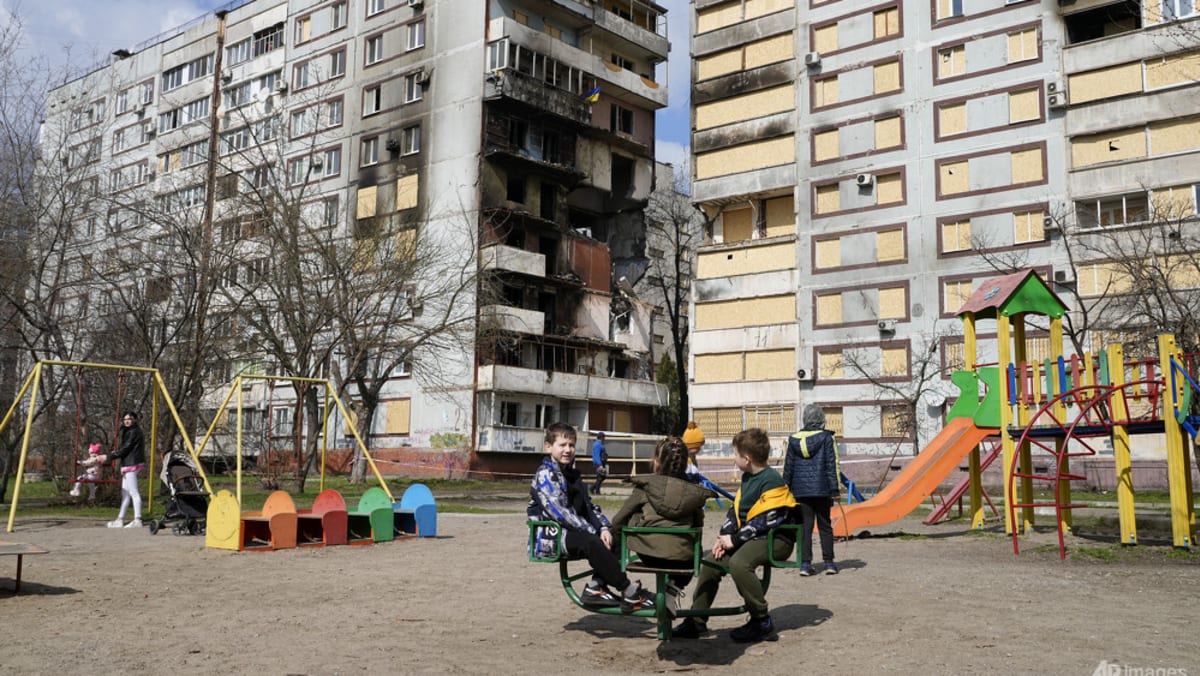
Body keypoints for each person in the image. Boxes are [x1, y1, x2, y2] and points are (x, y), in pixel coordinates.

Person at [673, 428, 796, 643]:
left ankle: (761, 621)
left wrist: (735, 540)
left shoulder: (772, 480)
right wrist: (724, 536)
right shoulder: (748, 477)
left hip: (776, 538)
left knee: (739, 563)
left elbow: (766, 519)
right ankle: (696, 620)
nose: (734, 458)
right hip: (753, 536)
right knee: (711, 562)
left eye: (736, 454)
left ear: (746, 459)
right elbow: (736, 511)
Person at [528, 422, 655, 612]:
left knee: (617, 535)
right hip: (551, 535)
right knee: (592, 542)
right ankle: (628, 590)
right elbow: (560, 513)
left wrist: (603, 528)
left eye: (571, 445)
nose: (568, 450)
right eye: (562, 445)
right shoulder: (545, 475)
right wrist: (593, 532)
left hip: (574, 532)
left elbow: (589, 508)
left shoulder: (573, 475)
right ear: (548, 447)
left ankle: (596, 587)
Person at [609, 437, 712, 592]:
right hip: (683, 559)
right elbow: (699, 524)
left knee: (631, 518)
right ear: (685, 463)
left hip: (649, 555)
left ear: (657, 461)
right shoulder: (694, 492)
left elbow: (618, 521)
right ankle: (674, 589)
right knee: (694, 542)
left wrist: (627, 539)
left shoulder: (645, 487)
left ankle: (608, 582)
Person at [783, 404, 841, 576]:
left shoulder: (793, 439)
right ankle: (829, 563)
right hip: (822, 490)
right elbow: (832, 464)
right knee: (825, 527)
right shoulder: (827, 438)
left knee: (805, 528)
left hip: (800, 491)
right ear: (821, 419)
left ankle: (805, 564)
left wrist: (786, 488)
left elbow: (788, 467)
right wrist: (835, 489)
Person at [100, 412, 146, 529]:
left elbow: (126, 448)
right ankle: (120, 519)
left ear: (135, 419)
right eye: (125, 419)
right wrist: (115, 453)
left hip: (132, 463)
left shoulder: (133, 432)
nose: (127, 421)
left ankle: (138, 519)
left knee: (133, 492)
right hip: (128, 463)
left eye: (129, 419)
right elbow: (125, 448)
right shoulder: (129, 431)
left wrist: (109, 457)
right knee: (125, 493)